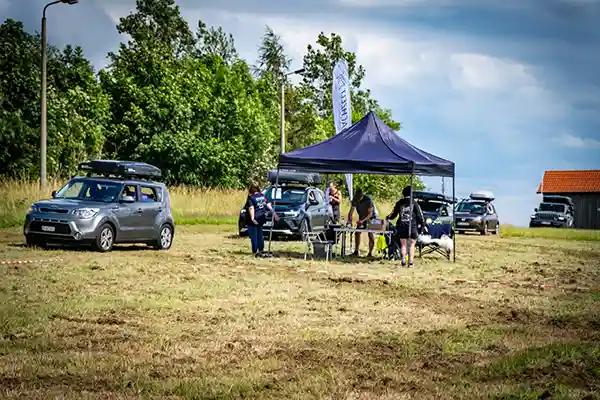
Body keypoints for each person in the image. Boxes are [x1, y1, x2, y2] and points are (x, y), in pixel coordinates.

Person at [386, 185, 426, 267]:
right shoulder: (414, 203)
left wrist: (388, 217)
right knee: (412, 245)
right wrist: (423, 225)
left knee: (403, 244)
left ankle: (403, 260)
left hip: (402, 225)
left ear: (403, 193)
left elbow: (393, 214)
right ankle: (410, 262)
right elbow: (420, 216)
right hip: (413, 226)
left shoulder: (399, 203)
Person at [244, 184, 278, 257]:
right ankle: (261, 250)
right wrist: (274, 214)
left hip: (254, 219)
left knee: (254, 236)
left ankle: (255, 251)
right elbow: (268, 205)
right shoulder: (263, 196)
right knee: (260, 234)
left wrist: (252, 218)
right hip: (261, 218)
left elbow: (251, 208)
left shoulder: (251, 198)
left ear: (250, 190)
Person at [347, 188, 377, 257]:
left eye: (359, 198)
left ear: (362, 196)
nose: (357, 200)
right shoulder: (354, 200)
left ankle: (370, 253)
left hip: (371, 218)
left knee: (370, 233)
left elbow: (370, 214)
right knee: (357, 233)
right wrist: (349, 221)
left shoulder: (368, 200)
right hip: (362, 217)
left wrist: (363, 221)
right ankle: (356, 251)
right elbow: (350, 212)